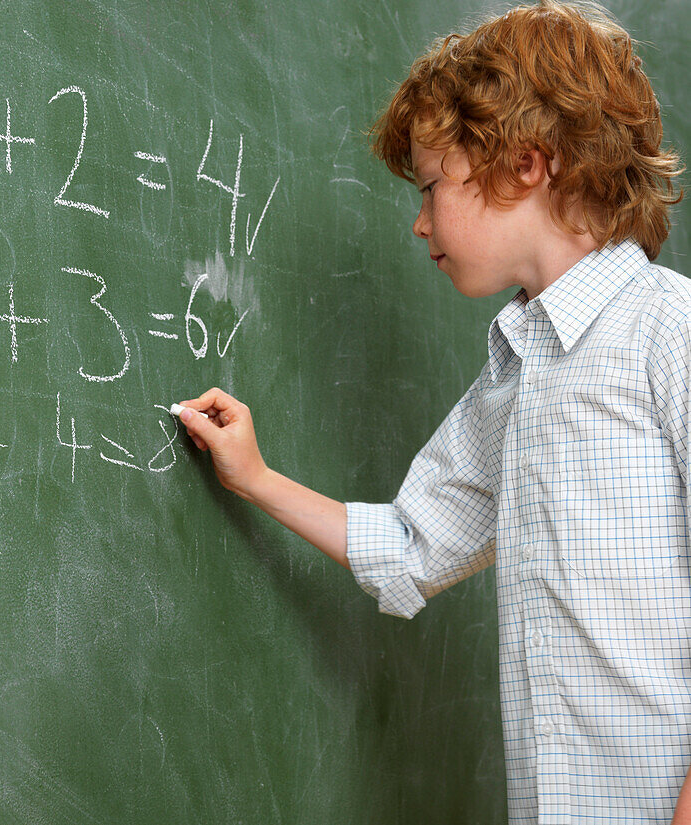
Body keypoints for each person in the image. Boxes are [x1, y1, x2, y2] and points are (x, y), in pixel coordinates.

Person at [175, 2, 689, 823]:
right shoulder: (519, 371)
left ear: (526, 165)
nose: (419, 222)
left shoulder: (670, 329)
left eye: (430, 186)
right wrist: (258, 479)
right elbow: (413, 546)